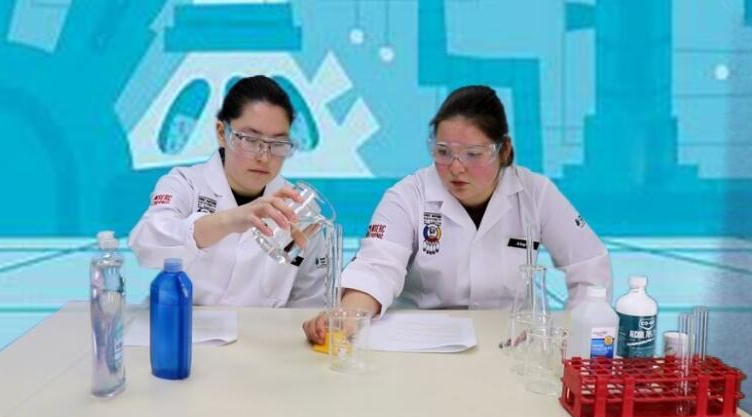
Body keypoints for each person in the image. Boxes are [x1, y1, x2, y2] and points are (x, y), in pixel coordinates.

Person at [303, 85, 612, 343]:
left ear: (503, 151)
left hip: (512, 342)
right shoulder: (407, 196)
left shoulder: (535, 192)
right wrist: (346, 315)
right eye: (443, 152)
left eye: (473, 155)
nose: (455, 168)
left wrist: (572, 338)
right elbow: (376, 268)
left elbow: (589, 265)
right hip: (422, 341)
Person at [130, 75, 326, 307]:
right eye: (250, 140)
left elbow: (310, 299)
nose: (264, 157)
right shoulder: (185, 183)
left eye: (278, 144)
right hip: (180, 327)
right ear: (222, 133)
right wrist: (230, 220)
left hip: (260, 336)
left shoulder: (300, 208)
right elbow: (145, 241)